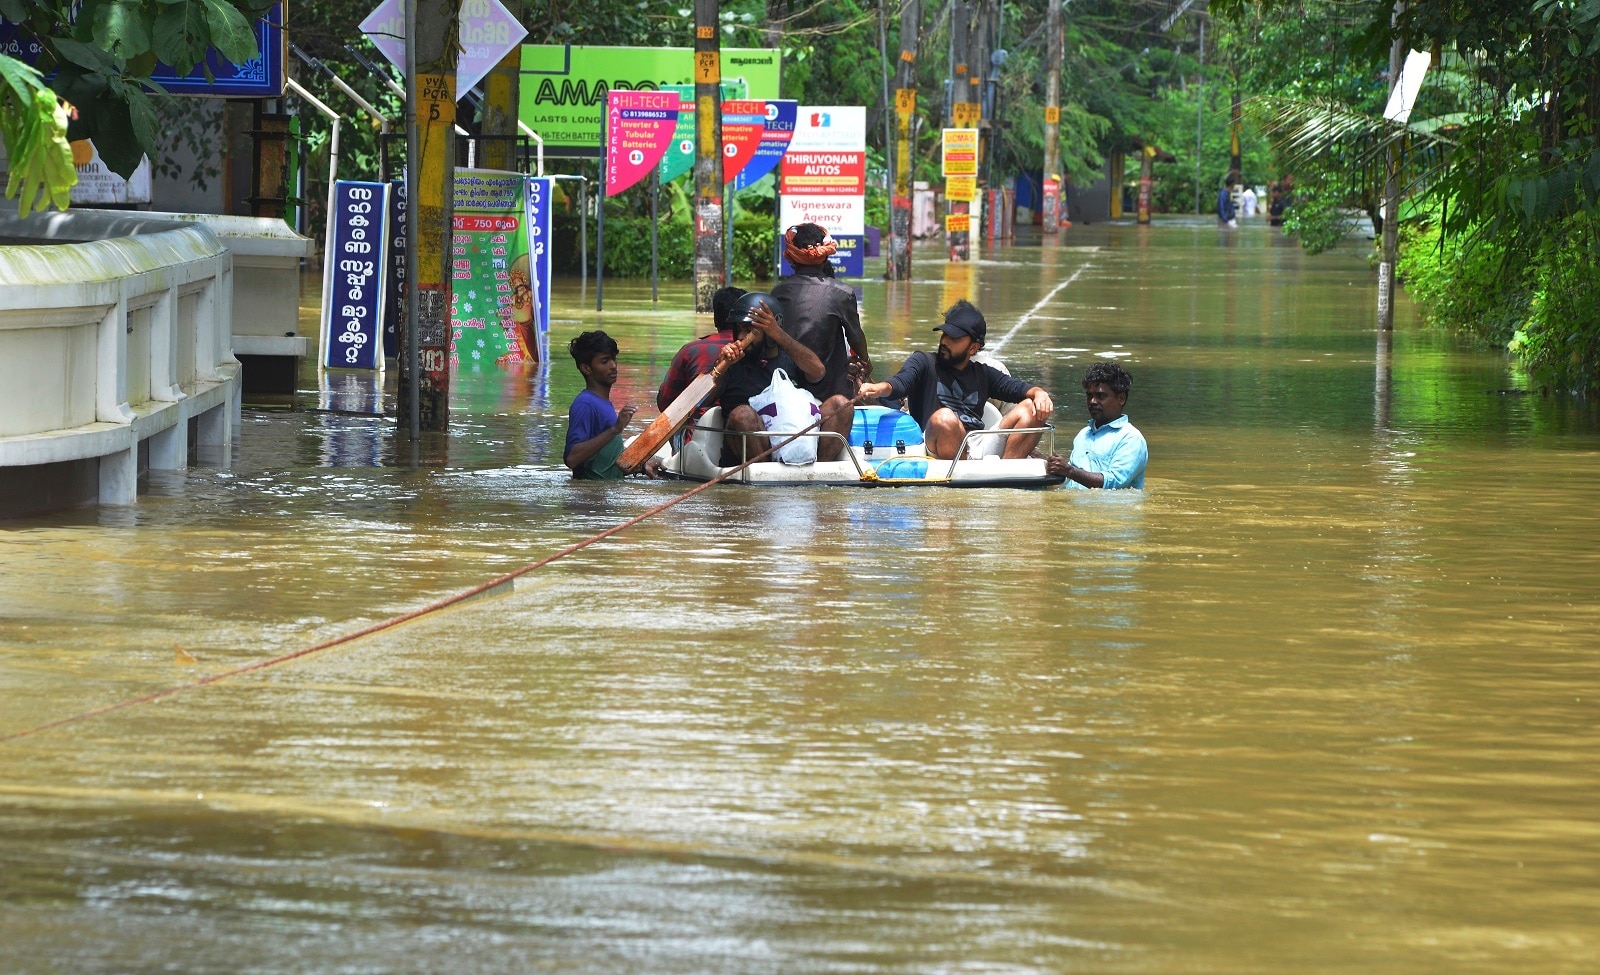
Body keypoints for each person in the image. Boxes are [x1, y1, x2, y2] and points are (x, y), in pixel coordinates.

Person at [856, 300, 1055, 461]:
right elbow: (899, 383)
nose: (945, 341)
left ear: (973, 348)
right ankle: (965, 476)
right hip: (936, 442)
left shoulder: (985, 374)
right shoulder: (924, 362)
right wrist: (879, 388)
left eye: (954, 338)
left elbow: (1019, 388)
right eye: (945, 334)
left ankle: (1006, 478)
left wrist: (1039, 393)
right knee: (945, 418)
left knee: (1031, 407)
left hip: (976, 443)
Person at [715, 293, 852, 463]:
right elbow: (702, 401)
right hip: (752, 453)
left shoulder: (790, 359)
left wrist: (778, 334)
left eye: (749, 330)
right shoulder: (729, 363)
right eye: (739, 330)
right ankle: (766, 477)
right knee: (742, 415)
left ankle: (817, 475)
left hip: (797, 443)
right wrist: (722, 365)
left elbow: (818, 372)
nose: (742, 337)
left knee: (842, 405)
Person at [770, 223, 872, 404]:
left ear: (792, 259)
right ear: (825, 257)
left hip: (785, 390)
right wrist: (866, 362)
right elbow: (855, 337)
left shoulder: (778, 293)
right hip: (831, 395)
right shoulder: (842, 293)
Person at [564, 330, 657, 479]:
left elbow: (604, 459)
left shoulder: (602, 402)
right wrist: (616, 428)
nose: (613, 366)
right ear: (586, 368)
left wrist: (640, 467)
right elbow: (572, 459)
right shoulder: (585, 404)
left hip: (606, 494)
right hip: (591, 497)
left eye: (614, 359)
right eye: (604, 361)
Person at [1046, 361, 1147, 489]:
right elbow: (1071, 481)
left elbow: (1113, 482)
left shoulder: (1131, 439)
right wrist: (1043, 459)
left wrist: (1069, 471)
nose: (1092, 401)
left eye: (1100, 396)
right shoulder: (1083, 434)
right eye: (1089, 395)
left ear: (1121, 399)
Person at [657, 285, 745, 412]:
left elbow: (665, 403)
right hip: (742, 426)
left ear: (715, 320)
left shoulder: (689, 351)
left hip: (696, 428)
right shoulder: (759, 351)